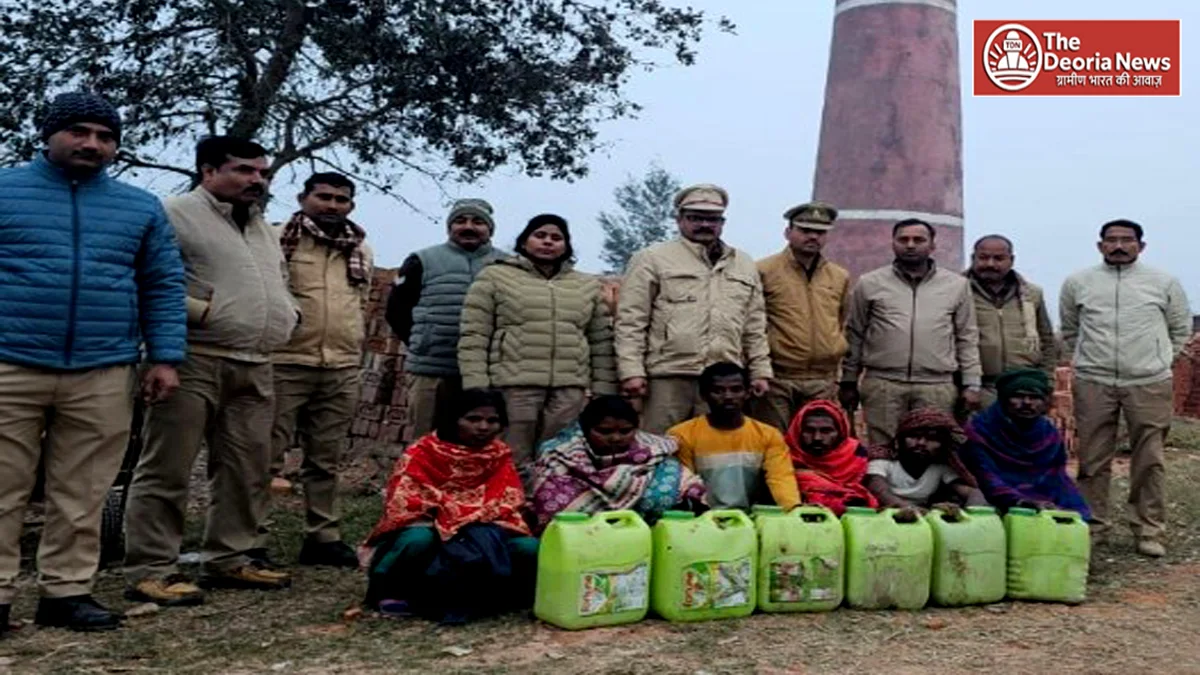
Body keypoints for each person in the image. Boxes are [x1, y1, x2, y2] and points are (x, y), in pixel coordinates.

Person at [0, 92, 186, 632]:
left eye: (105, 136)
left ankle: (66, 592)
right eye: (79, 131)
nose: (92, 143)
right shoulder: (5, 190)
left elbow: (162, 283)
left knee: (82, 491)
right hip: (11, 361)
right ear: (48, 134)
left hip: (104, 367)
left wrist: (166, 357)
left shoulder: (139, 207)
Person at [124, 136, 300, 606]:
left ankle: (231, 557)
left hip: (256, 361)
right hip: (191, 356)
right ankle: (150, 567)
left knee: (247, 468)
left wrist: (288, 314)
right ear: (207, 171)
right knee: (168, 467)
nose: (256, 180)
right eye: (243, 170)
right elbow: (142, 281)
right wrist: (205, 313)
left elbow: (275, 283)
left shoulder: (262, 225)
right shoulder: (172, 212)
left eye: (261, 172)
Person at [1060, 219, 1191, 557]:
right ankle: (1092, 526)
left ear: (1140, 246)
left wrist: (1158, 359)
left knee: (1149, 459)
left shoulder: (1163, 283)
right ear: (1100, 245)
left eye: (1127, 240)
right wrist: (1090, 360)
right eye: (1111, 240)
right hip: (1094, 380)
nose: (1119, 246)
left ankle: (1149, 530)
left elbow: (1179, 329)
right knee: (1091, 459)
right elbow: (1071, 329)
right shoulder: (1079, 283)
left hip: (1148, 381)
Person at [266, 172, 373, 568]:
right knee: (266, 455)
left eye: (340, 199)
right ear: (303, 197)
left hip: (341, 364)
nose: (331, 205)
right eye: (323, 197)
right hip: (286, 360)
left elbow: (358, 301)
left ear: (351, 206)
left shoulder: (360, 248)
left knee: (325, 459)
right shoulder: (278, 239)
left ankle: (323, 536)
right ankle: (249, 538)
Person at [458, 214, 617, 482]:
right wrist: (477, 385)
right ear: (524, 241)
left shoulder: (586, 285)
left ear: (566, 246)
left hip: (569, 386)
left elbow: (600, 340)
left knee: (560, 455)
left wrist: (604, 389)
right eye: (540, 236)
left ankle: (550, 512)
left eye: (556, 238)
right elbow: (474, 333)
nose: (548, 242)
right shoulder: (496, 276)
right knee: (511, 454)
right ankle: (505, 510)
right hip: (514, 383)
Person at [361, 389, 538, 625]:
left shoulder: (499, 456)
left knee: (529, 548)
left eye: (492, 420)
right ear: (453, 419)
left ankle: (498, 595)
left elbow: (508, 500)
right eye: (473, 419)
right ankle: (390, 590)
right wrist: (452, 517)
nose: (483, 427)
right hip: (431, 526)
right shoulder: (422, 452)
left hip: (482, 528)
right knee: (416, 541)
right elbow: (406, 499)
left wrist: (469, 519)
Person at [615, 184, 772, 434]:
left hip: (723, 381)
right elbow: (631, 320)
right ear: (679, 220)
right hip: (668, 376)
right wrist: (631, 371)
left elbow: (754, 324)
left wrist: (760, 371)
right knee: (660, 447)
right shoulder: (652, 258)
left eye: (712, 219)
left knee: (714, 452)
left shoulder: (742, 263)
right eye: (695, 218)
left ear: (722, 222)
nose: (704, 225)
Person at [840, 218, 982, 446]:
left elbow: (966, 337)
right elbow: (855, 333)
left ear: (932, 245)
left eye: (919, 240)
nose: (910, 245)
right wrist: (848, 380)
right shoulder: (870, 283)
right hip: (883, 383)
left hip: (936, 385)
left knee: (932, 450)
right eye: (903, 239)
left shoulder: (956, 285)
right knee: (883, 451)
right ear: (893, 244)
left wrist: (972, 383)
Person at [386, 199, 503, 446]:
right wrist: (423, 341)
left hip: (487, 374)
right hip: (432, 370)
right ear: (449, 227)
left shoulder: (507, 265)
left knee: (480, 443)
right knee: (427, 442)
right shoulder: (422, 260)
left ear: (490, 229)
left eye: (478, 222)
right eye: (460, 221)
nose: (468, 227)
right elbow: (396, 310)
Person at [529, 395, 708, 531]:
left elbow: (688, 485)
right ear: (585, 429)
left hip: (647, 535)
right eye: (604, 431)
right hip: (579, 540)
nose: (615, 438)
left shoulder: (654, 450)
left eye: (625, 431)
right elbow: (549, 508)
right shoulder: (559, 454)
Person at [753, 201, 850, 432]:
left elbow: (840, 322)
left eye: (820, 232)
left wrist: (836, 374)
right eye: (805, 230)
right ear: (788, 232)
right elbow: (753, 324)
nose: (813, 237)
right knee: (774, 443)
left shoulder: (839, 276)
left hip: (822, 380)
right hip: (777, 378)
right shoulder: (763, 270)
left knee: (815, 446)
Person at [668, 363, 800, 511]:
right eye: (718, 391)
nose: (728, 396)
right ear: (703, 395)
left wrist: (793, 510)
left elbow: (781, 479)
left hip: (751, 519)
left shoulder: (768, 435)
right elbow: (684, 487)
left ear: (748, 393)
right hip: (702, 520)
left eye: (736, 390)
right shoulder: (682, 434)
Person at [960, 369, 1091, 518]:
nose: (1027, 403)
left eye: (1035, 397)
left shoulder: (1048, 433)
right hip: (991, 498)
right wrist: (1019, 501)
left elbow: (1057, 477)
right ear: (1003, 399)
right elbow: (984, 476)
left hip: (1041, 497)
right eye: (1018, 396)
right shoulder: (980, 430)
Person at [967, 235, 1057, 406]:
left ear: (1011, 260)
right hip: (977, 387)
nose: (990, 264)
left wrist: (1047, 383)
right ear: (973, 258)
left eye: (998, 258)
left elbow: (1047, 341)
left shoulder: (1031, 294)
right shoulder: (957, 291)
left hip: (1024, 387)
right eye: (984, 258)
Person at [864, 409, 986, 517]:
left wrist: (968, 514)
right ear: (900, 439)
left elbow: (973, 492)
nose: (921, 443)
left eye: (931, 439)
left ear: (942, 445)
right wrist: (912, 509)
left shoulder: (940, 468)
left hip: (923, 520)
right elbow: (879, 491)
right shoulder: (882, 462)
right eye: (914, 436)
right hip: (883, 516)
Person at [783, 400, 877, 516]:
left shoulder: (855, 454)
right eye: (809, 431)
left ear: (840, 432)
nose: (817, 438)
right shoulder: (783, 455)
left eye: (826, 431)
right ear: (798, 431)